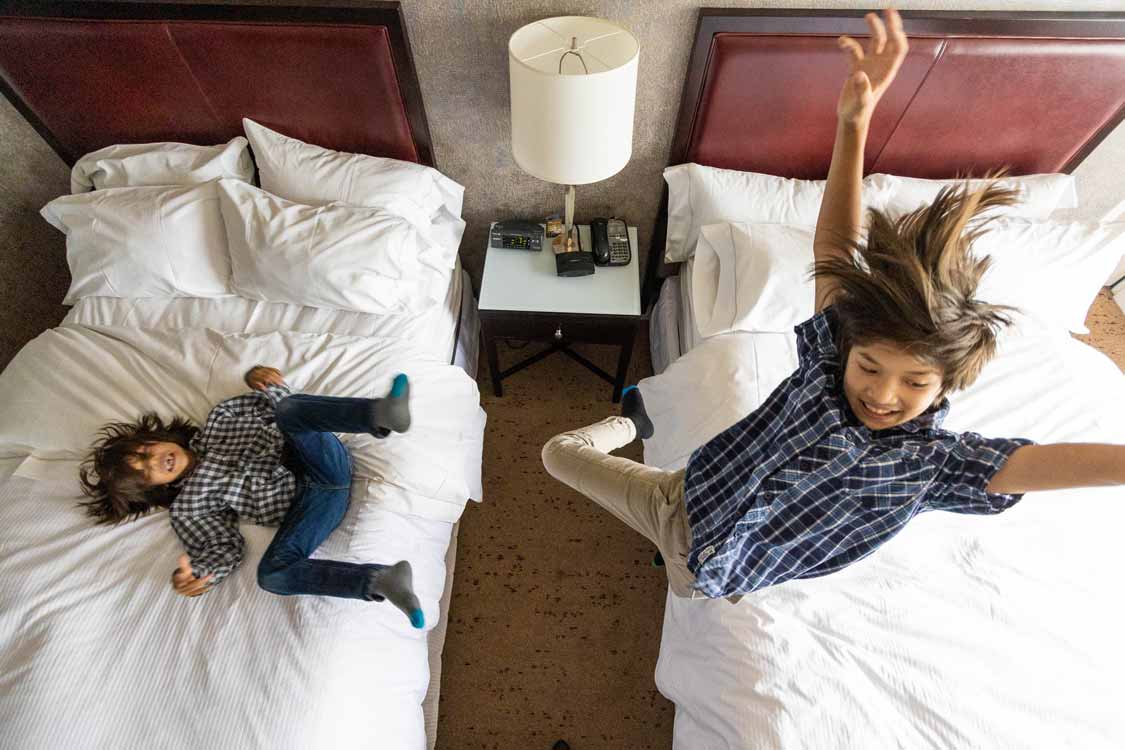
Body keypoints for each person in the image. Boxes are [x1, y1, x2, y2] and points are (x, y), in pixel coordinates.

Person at [541, 8, 1125, 602]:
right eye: (870, 367)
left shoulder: (931, 466)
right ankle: (630, 421)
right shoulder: (827, 360)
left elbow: (1042, 464)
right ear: (851, 351)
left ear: (945, 384)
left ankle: (684, 557)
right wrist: (853, 124)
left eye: (914, 382)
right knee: (557, 453)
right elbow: (836, 246)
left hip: (725, 572)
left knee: (686, 582)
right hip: (678, 500)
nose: (882, 393)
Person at [79, 365, 426, 628]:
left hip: (317, 460)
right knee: (272, 576)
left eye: (145, 449)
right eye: (144, 470)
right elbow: (223, 548)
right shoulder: (188, 508)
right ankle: (380, 581)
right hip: (308, 508)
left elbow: (281, 402)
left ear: (155, 437)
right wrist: (198, 574)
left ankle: (379, 414)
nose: (154, 458)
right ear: (151, 489)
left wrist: (256, 376)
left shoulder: (221, 419)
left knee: (288, 411)